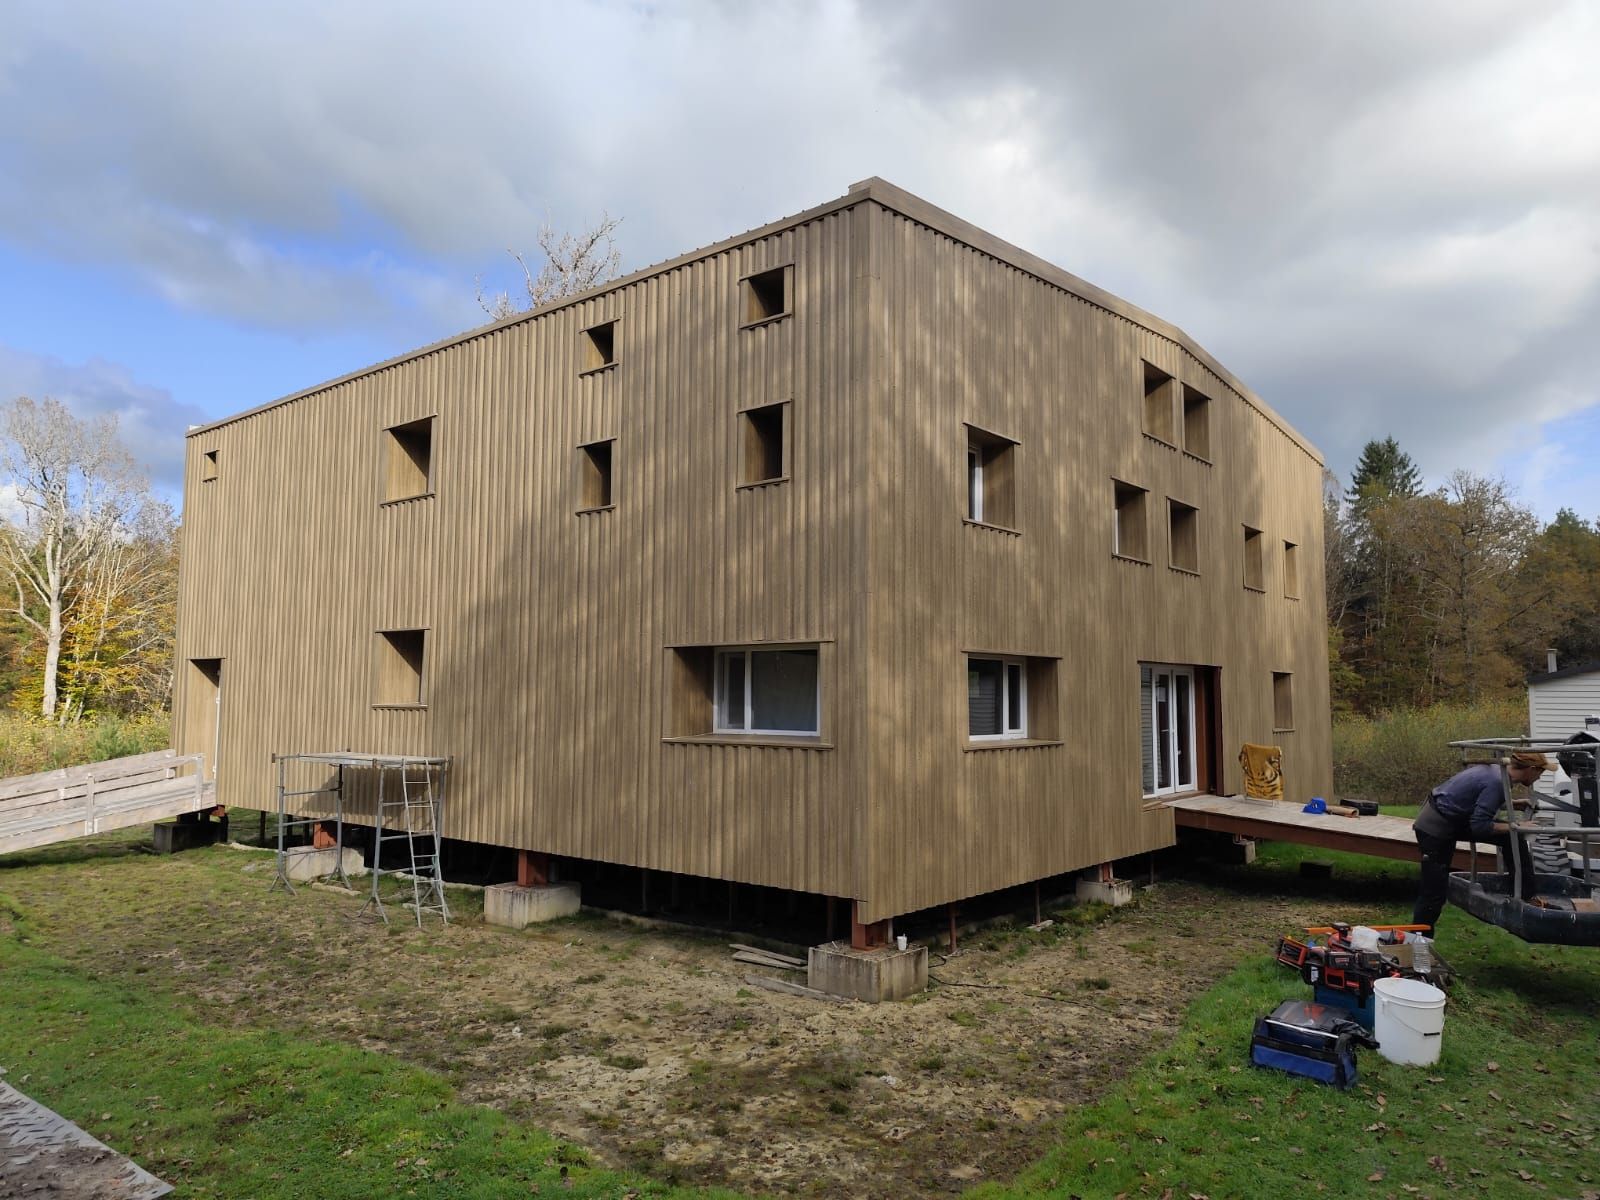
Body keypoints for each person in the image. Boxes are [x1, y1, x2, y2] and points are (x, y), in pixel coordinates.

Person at [1411, 751, 1551, 933]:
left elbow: (1478, 800)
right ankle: (1418, 943)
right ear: (1531, 770)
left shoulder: (1496, 772)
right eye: (1541, 773)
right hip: (1435, 829)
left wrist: (1512, 804)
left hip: (1451, 821)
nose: (1539, 777)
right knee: (1434, 892)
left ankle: (1524, 894)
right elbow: (1479, 826)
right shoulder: (1498, 782)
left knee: (1512, 837)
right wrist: (1515, 825)